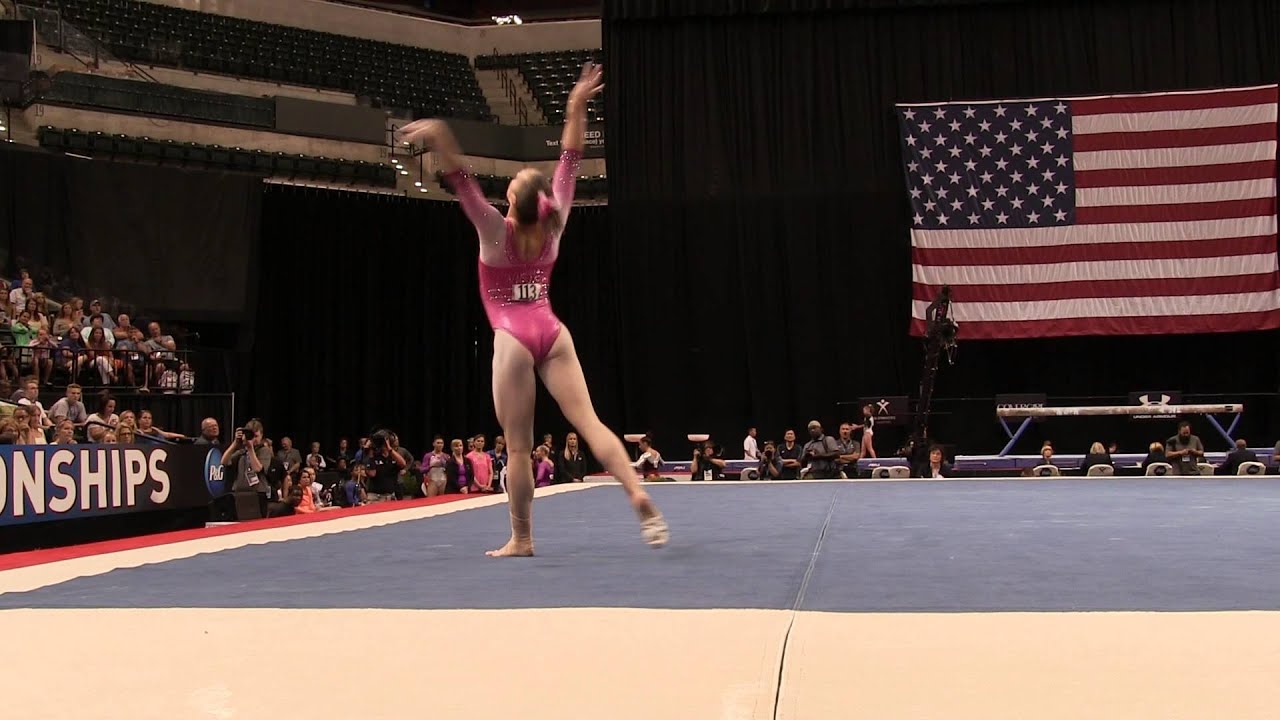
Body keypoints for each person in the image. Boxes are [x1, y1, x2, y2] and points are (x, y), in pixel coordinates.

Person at [398, 62, 667, 556]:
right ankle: (635, 491)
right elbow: (571, 156)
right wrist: (576, 105)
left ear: (510, 199)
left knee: (519, 447)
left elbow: (462, 180)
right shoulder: (555, 224)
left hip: (512, 339)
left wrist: (439, 135)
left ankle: (521, 538)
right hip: (552, 331)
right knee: (590, 423)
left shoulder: (493, 230)